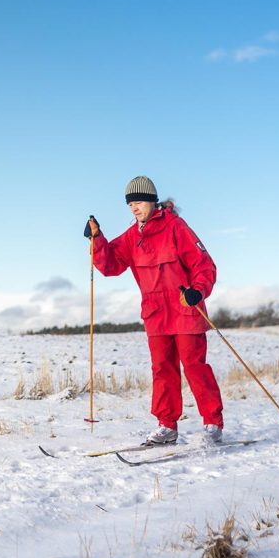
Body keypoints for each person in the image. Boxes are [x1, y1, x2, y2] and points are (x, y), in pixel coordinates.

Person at [84, 175, 224, 445]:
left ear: (151, 201)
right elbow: (110, 265)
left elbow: (204, 264)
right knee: (162, 369)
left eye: (138, 202)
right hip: (156, 313)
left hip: (185, 309)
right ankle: (166, 425)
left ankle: (212, 423)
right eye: (130, 204)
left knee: (195, 367)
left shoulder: (176, 227)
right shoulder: (131, 236)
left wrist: (198, 290)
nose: (134, 208)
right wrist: (97, 239)